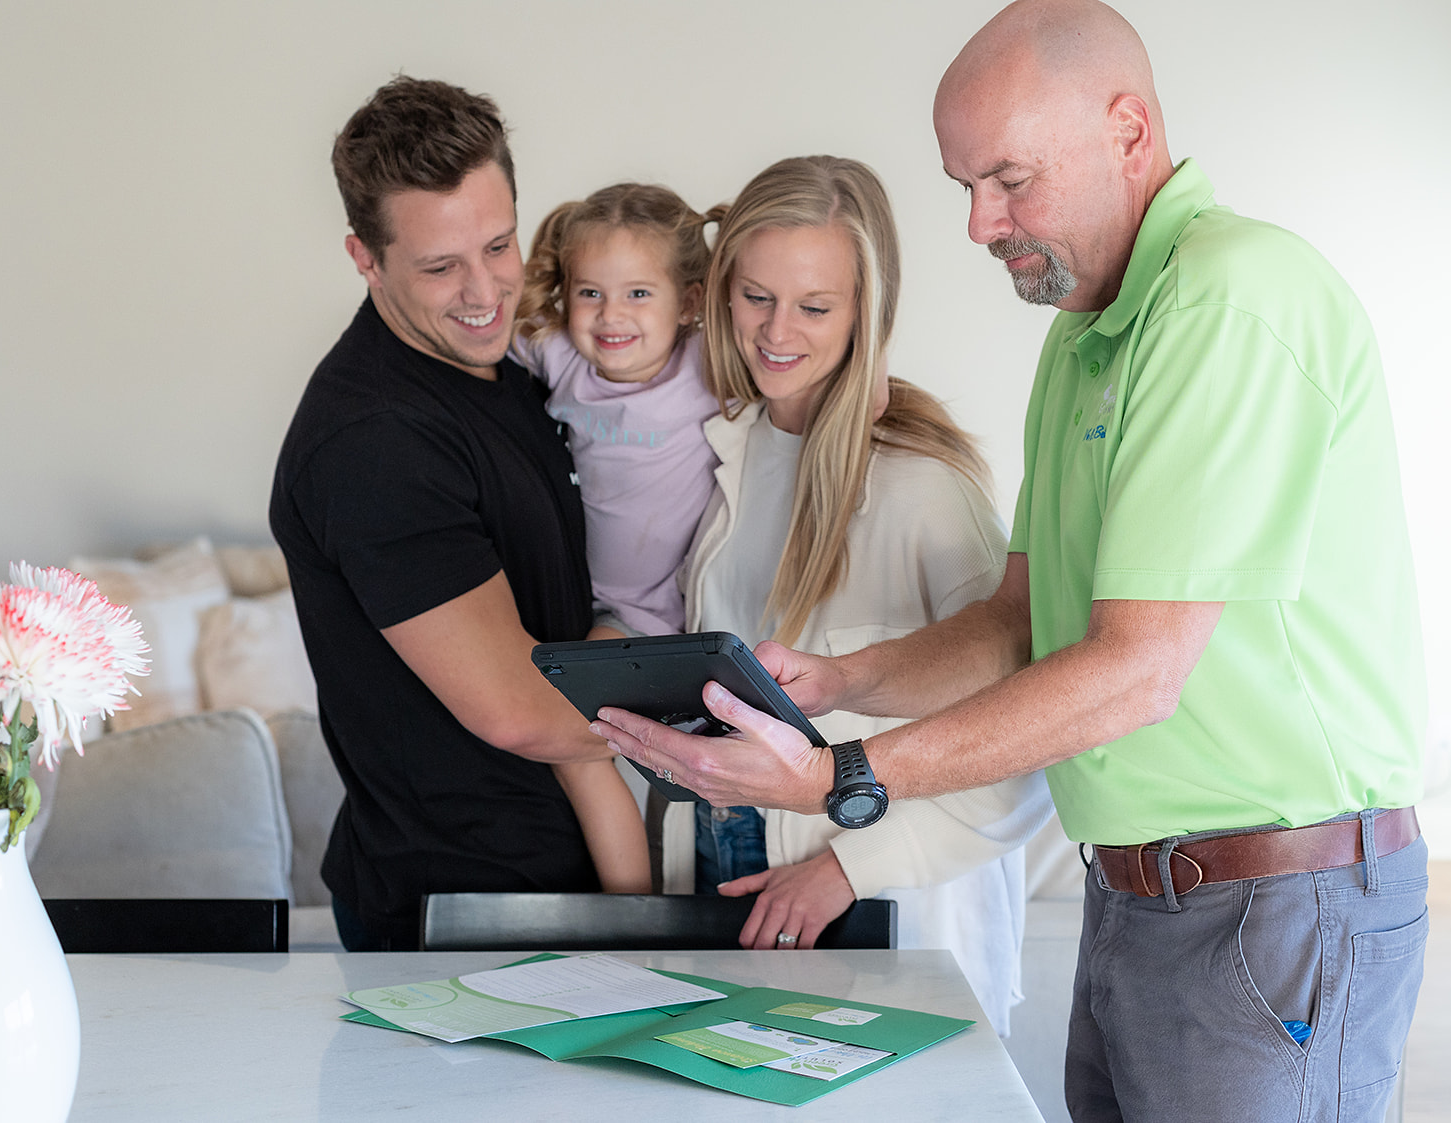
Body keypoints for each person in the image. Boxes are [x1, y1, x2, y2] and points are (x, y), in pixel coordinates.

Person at [593, 3, 1428, 1119]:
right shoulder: (1085, 339)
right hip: (1137, 893)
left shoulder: (1230, 298)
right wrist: (843, 680)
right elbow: (1016, 623)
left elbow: (1137, 670)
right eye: (964, 187)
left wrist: (846, 779)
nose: (981, 223)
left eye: (1009, 180)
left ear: (1127, 131)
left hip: (1275, 902)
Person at [662, 155, 1051, 1034]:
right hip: (737, 890)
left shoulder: (923, 487)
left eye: (814, 306)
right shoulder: (723, 454)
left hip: (898, 917)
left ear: (865, 315)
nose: (775, 332)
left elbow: (1028, 752)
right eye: (755, 295)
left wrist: (850, 868)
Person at [269, 77, 614, 950]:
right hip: (462, 911)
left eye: (499, 245)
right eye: (439, 266)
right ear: (364, 256)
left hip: (558, 885)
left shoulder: (511, 366)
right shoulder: (373, 440)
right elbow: (520, 710)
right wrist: (731, 712)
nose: (484, 290)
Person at [512, 182, 722, 892]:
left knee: (571, 740)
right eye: (590, 293)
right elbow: (479, 332)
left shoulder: (704, 367)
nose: (611, 317)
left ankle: (630, 907)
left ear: (688, 304)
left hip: (657, 612)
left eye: (638, 294)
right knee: (577, 746)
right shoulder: (564, 361)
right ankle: (633, 898)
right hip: (589, 608)